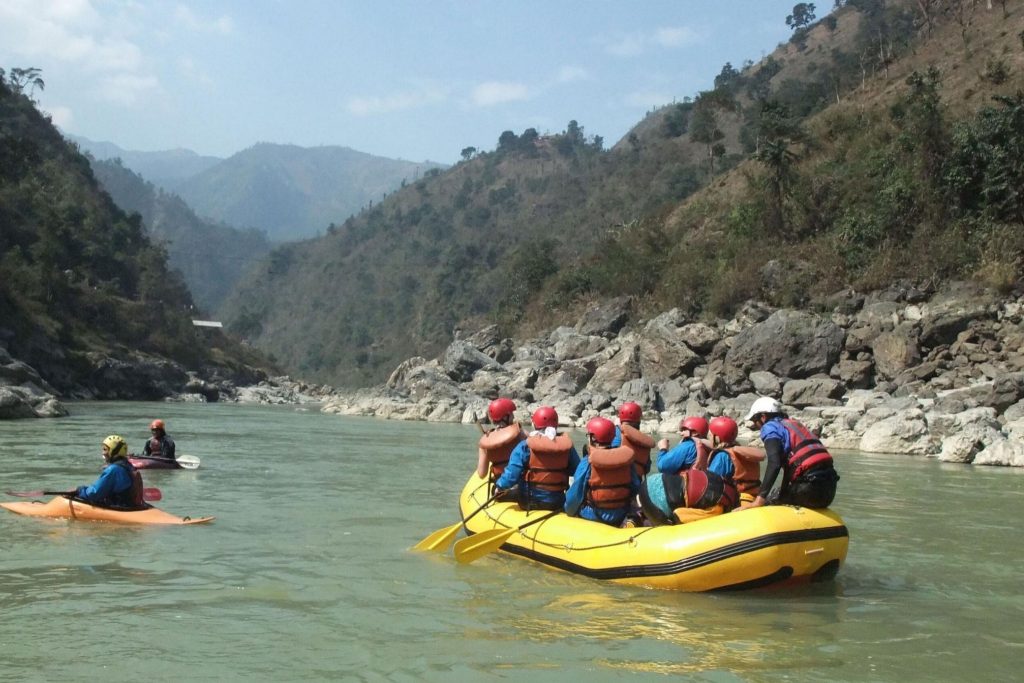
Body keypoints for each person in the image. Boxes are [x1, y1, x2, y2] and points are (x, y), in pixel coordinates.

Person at [744, 396, 840, 508]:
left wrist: (759, 500)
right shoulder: (793, 424)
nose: (756, 426)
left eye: (755, 422)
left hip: (809, 490)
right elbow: (791, 468)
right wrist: (783, 494)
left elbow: (775, 463)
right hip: (829, 492)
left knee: (771, 499)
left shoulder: (769, 427)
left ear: (763, 417)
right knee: (779, 494)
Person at [494, 406, 580, 511]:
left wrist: (500, 486)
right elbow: (577, 472)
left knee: (504, 492)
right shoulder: (567, 447)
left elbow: (512, 473)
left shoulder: (525, 446)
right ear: (556, 424)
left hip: (529, 502)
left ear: (535, 424)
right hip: (557, 502)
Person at [565, 417, 641, 527]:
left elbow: (575, 495)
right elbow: (635, 487)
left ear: (593, 438)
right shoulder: (626, 460)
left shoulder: (588, 461)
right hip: (621, 514)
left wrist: (569, 511)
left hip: (593, 515)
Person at [639, 469, 738, 525]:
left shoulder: (719, 479)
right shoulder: (717, 509)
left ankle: (639, 515)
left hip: (654, 479)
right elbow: (679, 515)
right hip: (654, 501)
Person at [704, 416, 765, 506]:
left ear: (716, 438)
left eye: (710, 434)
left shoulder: (722, 456)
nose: (708, 436)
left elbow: (711, 484)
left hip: (736, 500)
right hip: (753, 497)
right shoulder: (743, 453)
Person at [74, 435, 145, 509]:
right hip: (131, 505)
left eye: (105, 449)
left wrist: (80, 490)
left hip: (120, 508)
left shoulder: (113, 470)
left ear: (113, 451)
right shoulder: (128, 465)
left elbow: (94, 494)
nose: (103, 453)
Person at [476, 398, 526, 500]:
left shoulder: (485, 442)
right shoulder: (522, 434)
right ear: (505, 417)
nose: (513, 416)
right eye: (511, 413)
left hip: (501, 492)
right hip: (523, 488)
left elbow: (482, 474)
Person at [610, 401, 656, 477]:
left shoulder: (613, 432)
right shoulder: (643, 440)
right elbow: (647, 468)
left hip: (613, 480)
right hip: (634, 485)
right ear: (638, 420)